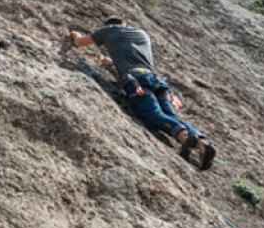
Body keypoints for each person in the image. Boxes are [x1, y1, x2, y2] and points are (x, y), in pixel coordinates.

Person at [64, 17, 217, 169]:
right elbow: (134, 56)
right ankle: (202, 143)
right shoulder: (141, 34)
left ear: (109, 26)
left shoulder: (108, 31)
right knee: (170, 116)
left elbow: (79, 43)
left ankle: (184, 138)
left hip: (136, 81)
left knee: (153, 115)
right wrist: (112, 62)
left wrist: (75, 34)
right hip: (156, 79)